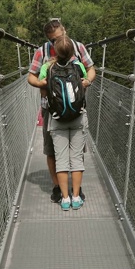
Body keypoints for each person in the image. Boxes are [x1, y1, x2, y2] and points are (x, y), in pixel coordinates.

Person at [27, 20, 96, 203]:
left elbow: (91, 69)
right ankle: (58, 187)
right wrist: (44, 83)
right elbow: (31, 78)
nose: (56, 42)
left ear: (64, 30)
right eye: (52, 40)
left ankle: (75, 189)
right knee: (51, 150)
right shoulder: (42, 51)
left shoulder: (78, 47)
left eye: (58, 38)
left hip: (76, 107)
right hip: (51, 108)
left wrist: (86, 82)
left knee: (77, 149)